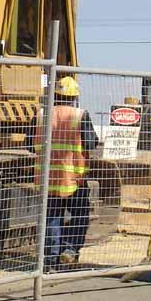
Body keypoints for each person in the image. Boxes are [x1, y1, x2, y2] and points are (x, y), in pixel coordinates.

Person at [42, 76, 98, 269]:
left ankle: (49, 261)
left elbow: (30, 144)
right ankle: (69, 250)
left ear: (55, 95)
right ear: (74, 97)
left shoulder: (42, 114)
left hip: (48, 178)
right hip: (74, 179)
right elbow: (91, 143)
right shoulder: (80, 114)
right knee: (80, 215)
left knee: (51, 218)